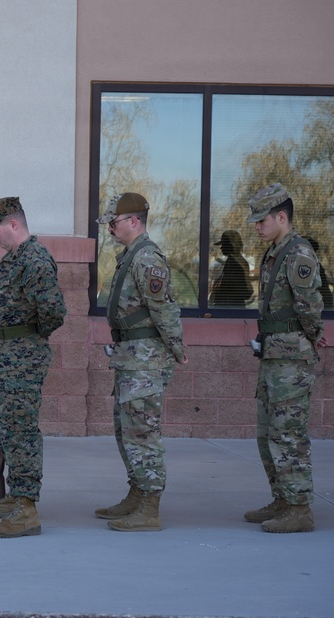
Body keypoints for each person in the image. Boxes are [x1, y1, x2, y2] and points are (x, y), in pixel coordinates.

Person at [94, 193, 186, 532]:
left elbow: (164, 309)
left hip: (145, 362)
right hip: (130, 358)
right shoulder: (132, 256)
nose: (110, 230)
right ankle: (137, 493)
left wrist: (176, 348)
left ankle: (150, 507)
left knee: (142, 433)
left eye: (114, 223)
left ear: (133, 221)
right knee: (127, 431)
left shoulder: (147, 258)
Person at [0, 196, 66, 539]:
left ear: (14, 224)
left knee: (21, 431)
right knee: (9, 430)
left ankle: (26, 509)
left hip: (21, 359)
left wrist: (25, 338)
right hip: (5, 357)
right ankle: (15, 495)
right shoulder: (15, 258)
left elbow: (53, 313)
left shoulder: (35, 259)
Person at [244, 183, 324, 534]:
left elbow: (310, 308)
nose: (257, 227)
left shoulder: (298, 254)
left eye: (261, 220)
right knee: (268, 434)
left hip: (291, 360)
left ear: (281, 217)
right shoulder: (276, 252)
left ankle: (299, 509)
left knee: (288, 434)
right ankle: (282, 500)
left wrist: (310, 339)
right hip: (275, 357)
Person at [209, 230, 252, 307]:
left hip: (231, 309)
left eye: (224, 245)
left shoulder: (237, 264)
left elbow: (246, 291)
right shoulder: (230, 262)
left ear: (231, 245)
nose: (221, 248)